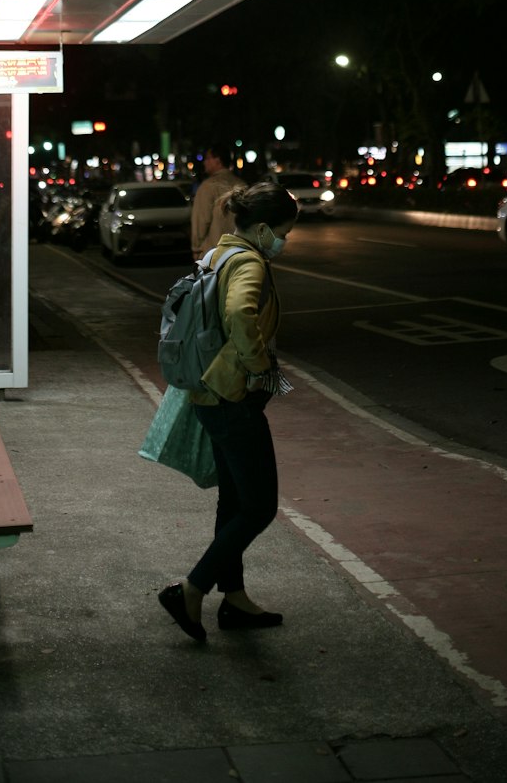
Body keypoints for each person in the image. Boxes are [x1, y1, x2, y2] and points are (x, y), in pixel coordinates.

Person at [158, 180, 299, 641]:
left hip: (208, 394)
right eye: (283, 231)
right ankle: (193, 589)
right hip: (233, 397)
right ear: (261, 229)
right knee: (259, 507)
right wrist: (260, 369)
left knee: (234, 500)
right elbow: (240, 313)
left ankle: (234, 599)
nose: (285, 240)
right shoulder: (249, 264)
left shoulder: (218, 254)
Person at [190, 142, 240, 262]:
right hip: (239, 252)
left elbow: (201, 220)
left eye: (207, 158)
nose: (204, 162)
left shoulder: (208, 186)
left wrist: (196, 248)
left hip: (214, 254)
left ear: (218, 160)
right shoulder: (241, 184)